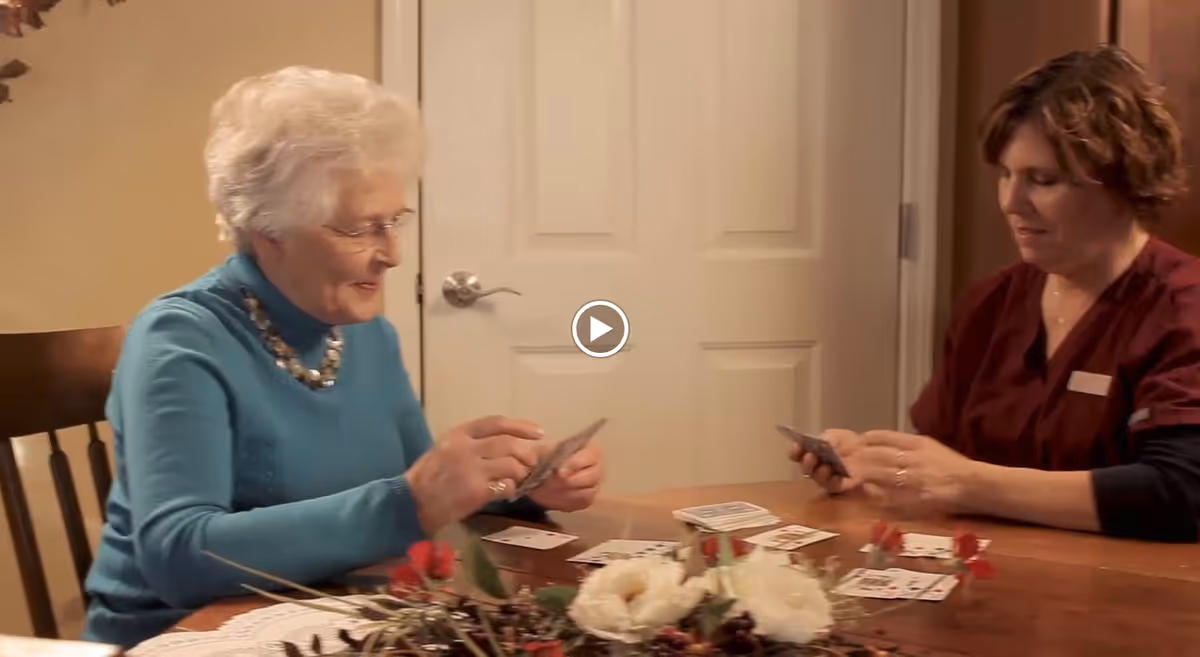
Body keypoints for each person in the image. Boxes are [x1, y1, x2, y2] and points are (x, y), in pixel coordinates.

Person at [81, 66, 605, 648]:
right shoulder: (180, 340)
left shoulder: (365, 333)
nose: (392, 254)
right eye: (359, 229)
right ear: (268, 230)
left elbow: (412, 483)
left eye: (394, 222)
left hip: (339, 623)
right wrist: (414, 498)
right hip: (190, 637)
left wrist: (518, 483)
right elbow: (179, 557)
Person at [791, 45, 1200, 542]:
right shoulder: (992, 303)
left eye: (1042, 180)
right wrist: (873, 471)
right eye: (1005, 175)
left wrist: (966, 483)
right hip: (991, 588)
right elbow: (944, 463)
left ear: (1123, 181)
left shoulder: (1181, 309)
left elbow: (1180, 493)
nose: (1011, 202)